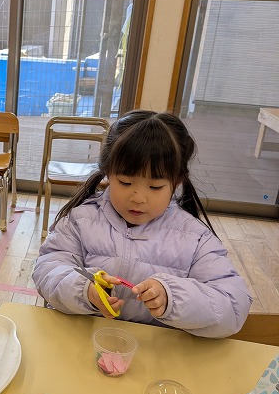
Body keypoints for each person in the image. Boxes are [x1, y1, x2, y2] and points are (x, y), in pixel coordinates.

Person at [32, 110, 251, 338]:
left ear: (176, 182)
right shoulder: (81, 220)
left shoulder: (194, 238)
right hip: (84, 341)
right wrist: (82, 289)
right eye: (125, 182)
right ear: (108, 173)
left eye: (155, 187)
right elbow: (48, 269)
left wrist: (174, 298)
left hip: (157, 351)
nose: (138, 198)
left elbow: (233, 306)